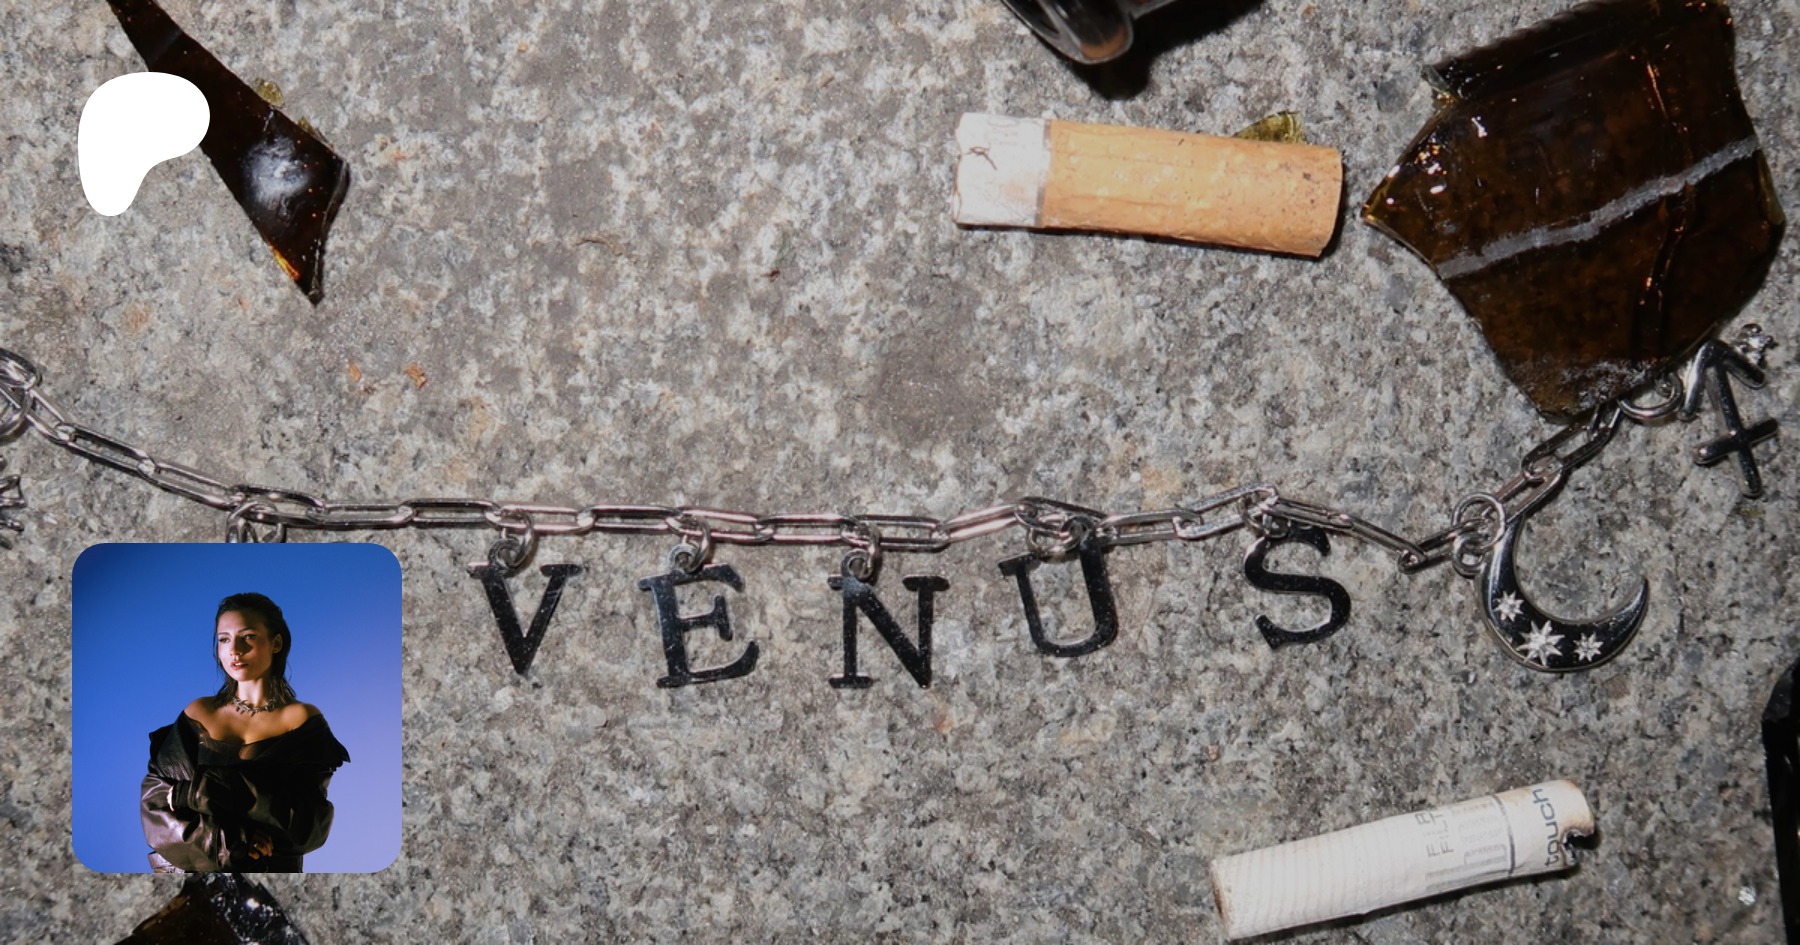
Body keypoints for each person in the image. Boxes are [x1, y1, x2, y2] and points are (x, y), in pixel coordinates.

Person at [139, 592, 350, 872]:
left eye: (247, 636)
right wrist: (230, 841)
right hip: (189, 877)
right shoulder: (198, 713)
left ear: (276, 643)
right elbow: (157, 807)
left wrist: (203, 790)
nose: (234, 650)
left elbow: (309, 827)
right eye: (224, 639)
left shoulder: (302, 720)